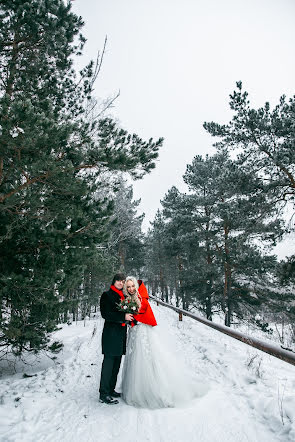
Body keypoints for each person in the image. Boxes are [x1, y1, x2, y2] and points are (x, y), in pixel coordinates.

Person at [121, 276, 207, 409]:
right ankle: (136, 388)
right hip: (133, 332)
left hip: (143, 331)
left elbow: (144, 311)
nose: (131, 289)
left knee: (146, 358)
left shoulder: (141, 297)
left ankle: (156, 390)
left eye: (133, 286)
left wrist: (136, 319)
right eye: (129, 287)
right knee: (134, 359)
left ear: (136, 286)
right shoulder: (126, 299)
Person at [99, 273, 134, 405]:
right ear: (114, 281)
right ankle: (103, 393)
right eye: (118, 280)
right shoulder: (107, 295)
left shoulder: (124, 296)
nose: (120, 283)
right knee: (108, 364)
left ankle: (111, 389)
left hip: (120, 335)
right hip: (110, 334)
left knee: (117, 364)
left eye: (123, 281)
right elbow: (106, 314)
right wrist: (122, 317)